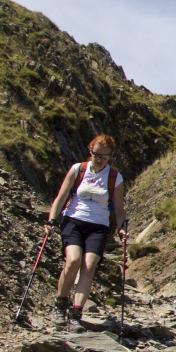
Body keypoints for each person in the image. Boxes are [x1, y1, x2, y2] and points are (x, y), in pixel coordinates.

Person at [47, 134, 127, 323]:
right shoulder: (78, 170)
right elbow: (61, 197)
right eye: (96, 155)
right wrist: (52, 219)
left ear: (110, 157)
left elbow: (119, 209)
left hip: (98, 226)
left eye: (104, 157)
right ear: (90, 151)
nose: (99, 160)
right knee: (73, 260)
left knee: (89, 264)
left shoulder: (115, 178)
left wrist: (121, 228)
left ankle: (76, 312)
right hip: (73, 220)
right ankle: (60, 302)